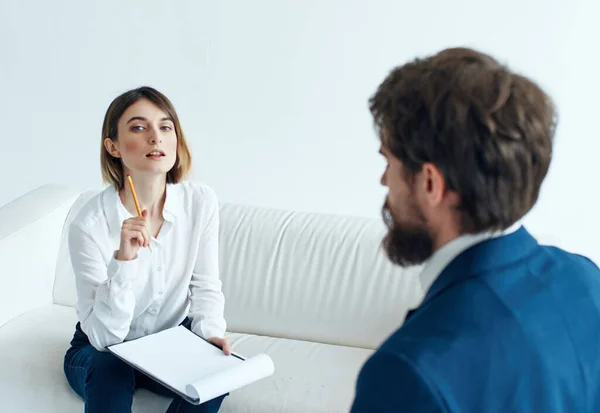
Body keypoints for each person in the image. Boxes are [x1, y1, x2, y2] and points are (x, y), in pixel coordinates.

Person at [350, 47, 600, 412]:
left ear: (430, 183)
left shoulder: (409, 372)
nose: (384, 180)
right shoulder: (586, 280)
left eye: (388, 161)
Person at [63, 86, 229, 413]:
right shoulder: (89, 225)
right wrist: (125, 261)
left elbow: (205, 286)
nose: (156, 137)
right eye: (139, 127)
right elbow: (103, 338)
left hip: (168, 344)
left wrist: (210, 337)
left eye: (165, 127)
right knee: (112, 368)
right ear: (113, 146)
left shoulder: (200, 202)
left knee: (217, 376)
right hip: (102, 349)